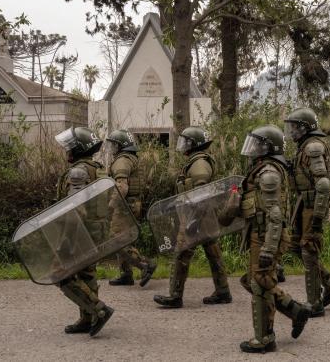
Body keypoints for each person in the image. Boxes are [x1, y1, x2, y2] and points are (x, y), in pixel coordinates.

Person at [236, 124, 311, 354]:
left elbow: (276, 215)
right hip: (261, 233)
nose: (253, 148)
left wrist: (269, 248)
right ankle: (295, 310)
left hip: (268, 235)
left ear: (268, 147)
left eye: (258, 144)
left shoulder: (268, 173)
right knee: (253, 280)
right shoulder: (262, 169)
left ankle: (265, 339)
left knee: (258, 283)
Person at [154, 127, 232, 308]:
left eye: (185, 142)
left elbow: (201, 194)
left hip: (196, 216)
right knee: (214, 253)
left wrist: (193, 221)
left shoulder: (198, 164)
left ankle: (175, 296)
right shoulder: (198, 161)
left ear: (193, 144)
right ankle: (223, 291)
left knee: (181, 253)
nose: (182, 146)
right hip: (205, 216)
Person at [284, 108, 330, 317]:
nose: (291, 131)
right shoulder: (304, 146)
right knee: (295, 247)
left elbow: (324, 184)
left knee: (308, 250)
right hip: (303, 204)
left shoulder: (313, 147)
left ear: (305, 127)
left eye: (294, 127)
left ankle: (314, 303)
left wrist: (317, 217)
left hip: (312, 205)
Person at [54, 126, 114, 337]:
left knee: (62, 275)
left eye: (70, 148)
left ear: (78, 150)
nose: (67, 152)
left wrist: (66, 242)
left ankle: (99, 310)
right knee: (87, 273)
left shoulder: (79, 172)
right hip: (96, 230)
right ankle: (88, 318)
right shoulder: (97, 168)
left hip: (80, 233)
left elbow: (75, 208)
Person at [105, 129, 157, 287]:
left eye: (114, 145)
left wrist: (110, 207)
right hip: (133, 203)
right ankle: (126, 274)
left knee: (116, 240)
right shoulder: (132, 158)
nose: (112, 148)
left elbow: (122, 187)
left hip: (124, 205)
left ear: (121, 146)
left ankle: (145, 264)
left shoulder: (122, 160)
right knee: (123, 238)